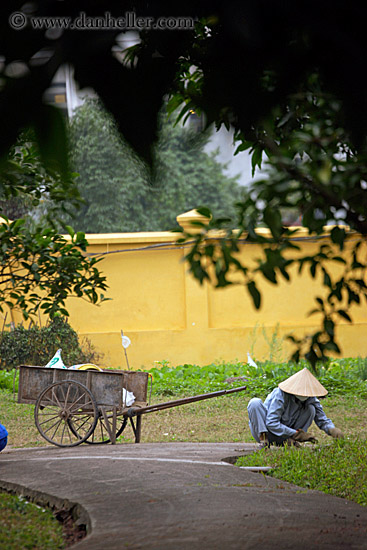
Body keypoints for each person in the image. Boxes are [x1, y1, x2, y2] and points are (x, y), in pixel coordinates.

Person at [247, 367, 344, 447]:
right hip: (268, 432)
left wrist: (332, 429)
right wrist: (295, 433)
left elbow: (321, 418)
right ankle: (264, 440)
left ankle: (291, 441)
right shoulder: (280, 395)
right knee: (254, 403)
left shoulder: (311, 398)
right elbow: (271, 423)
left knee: (311, 409)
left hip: (286, 436)